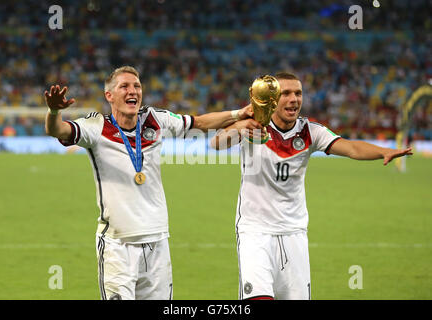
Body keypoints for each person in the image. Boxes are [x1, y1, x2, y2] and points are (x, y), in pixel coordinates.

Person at [44, 65, 254, 300]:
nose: (132, 91)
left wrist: (238, 114)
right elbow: (59, 130)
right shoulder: (96, 127)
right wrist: (53, 111)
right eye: (124, 86)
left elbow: (200, 123)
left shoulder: (155, 119)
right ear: (109, 96)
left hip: (157, 241)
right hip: (117, 245)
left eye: (137, 86)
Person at [211, 71, 413, 300]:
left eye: (298, 93)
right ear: (273, 99)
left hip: (294, 231)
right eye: (286, 93)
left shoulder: (311, 131)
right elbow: (216, 143)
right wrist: (240, 126)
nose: (294, 99)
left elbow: (352, 148)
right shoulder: (253, 126)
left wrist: (383, 151)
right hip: (255, 231)